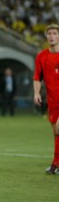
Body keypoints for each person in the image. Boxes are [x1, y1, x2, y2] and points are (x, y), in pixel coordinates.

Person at [33, 23, 59, 175]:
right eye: (49, 34)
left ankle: (55, 164)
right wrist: (36, 93)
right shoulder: (42, 56)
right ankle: (56, 164)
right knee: (56, 133)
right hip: (52, 101)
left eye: (54, 33)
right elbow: (37, 78)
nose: (51, 36)